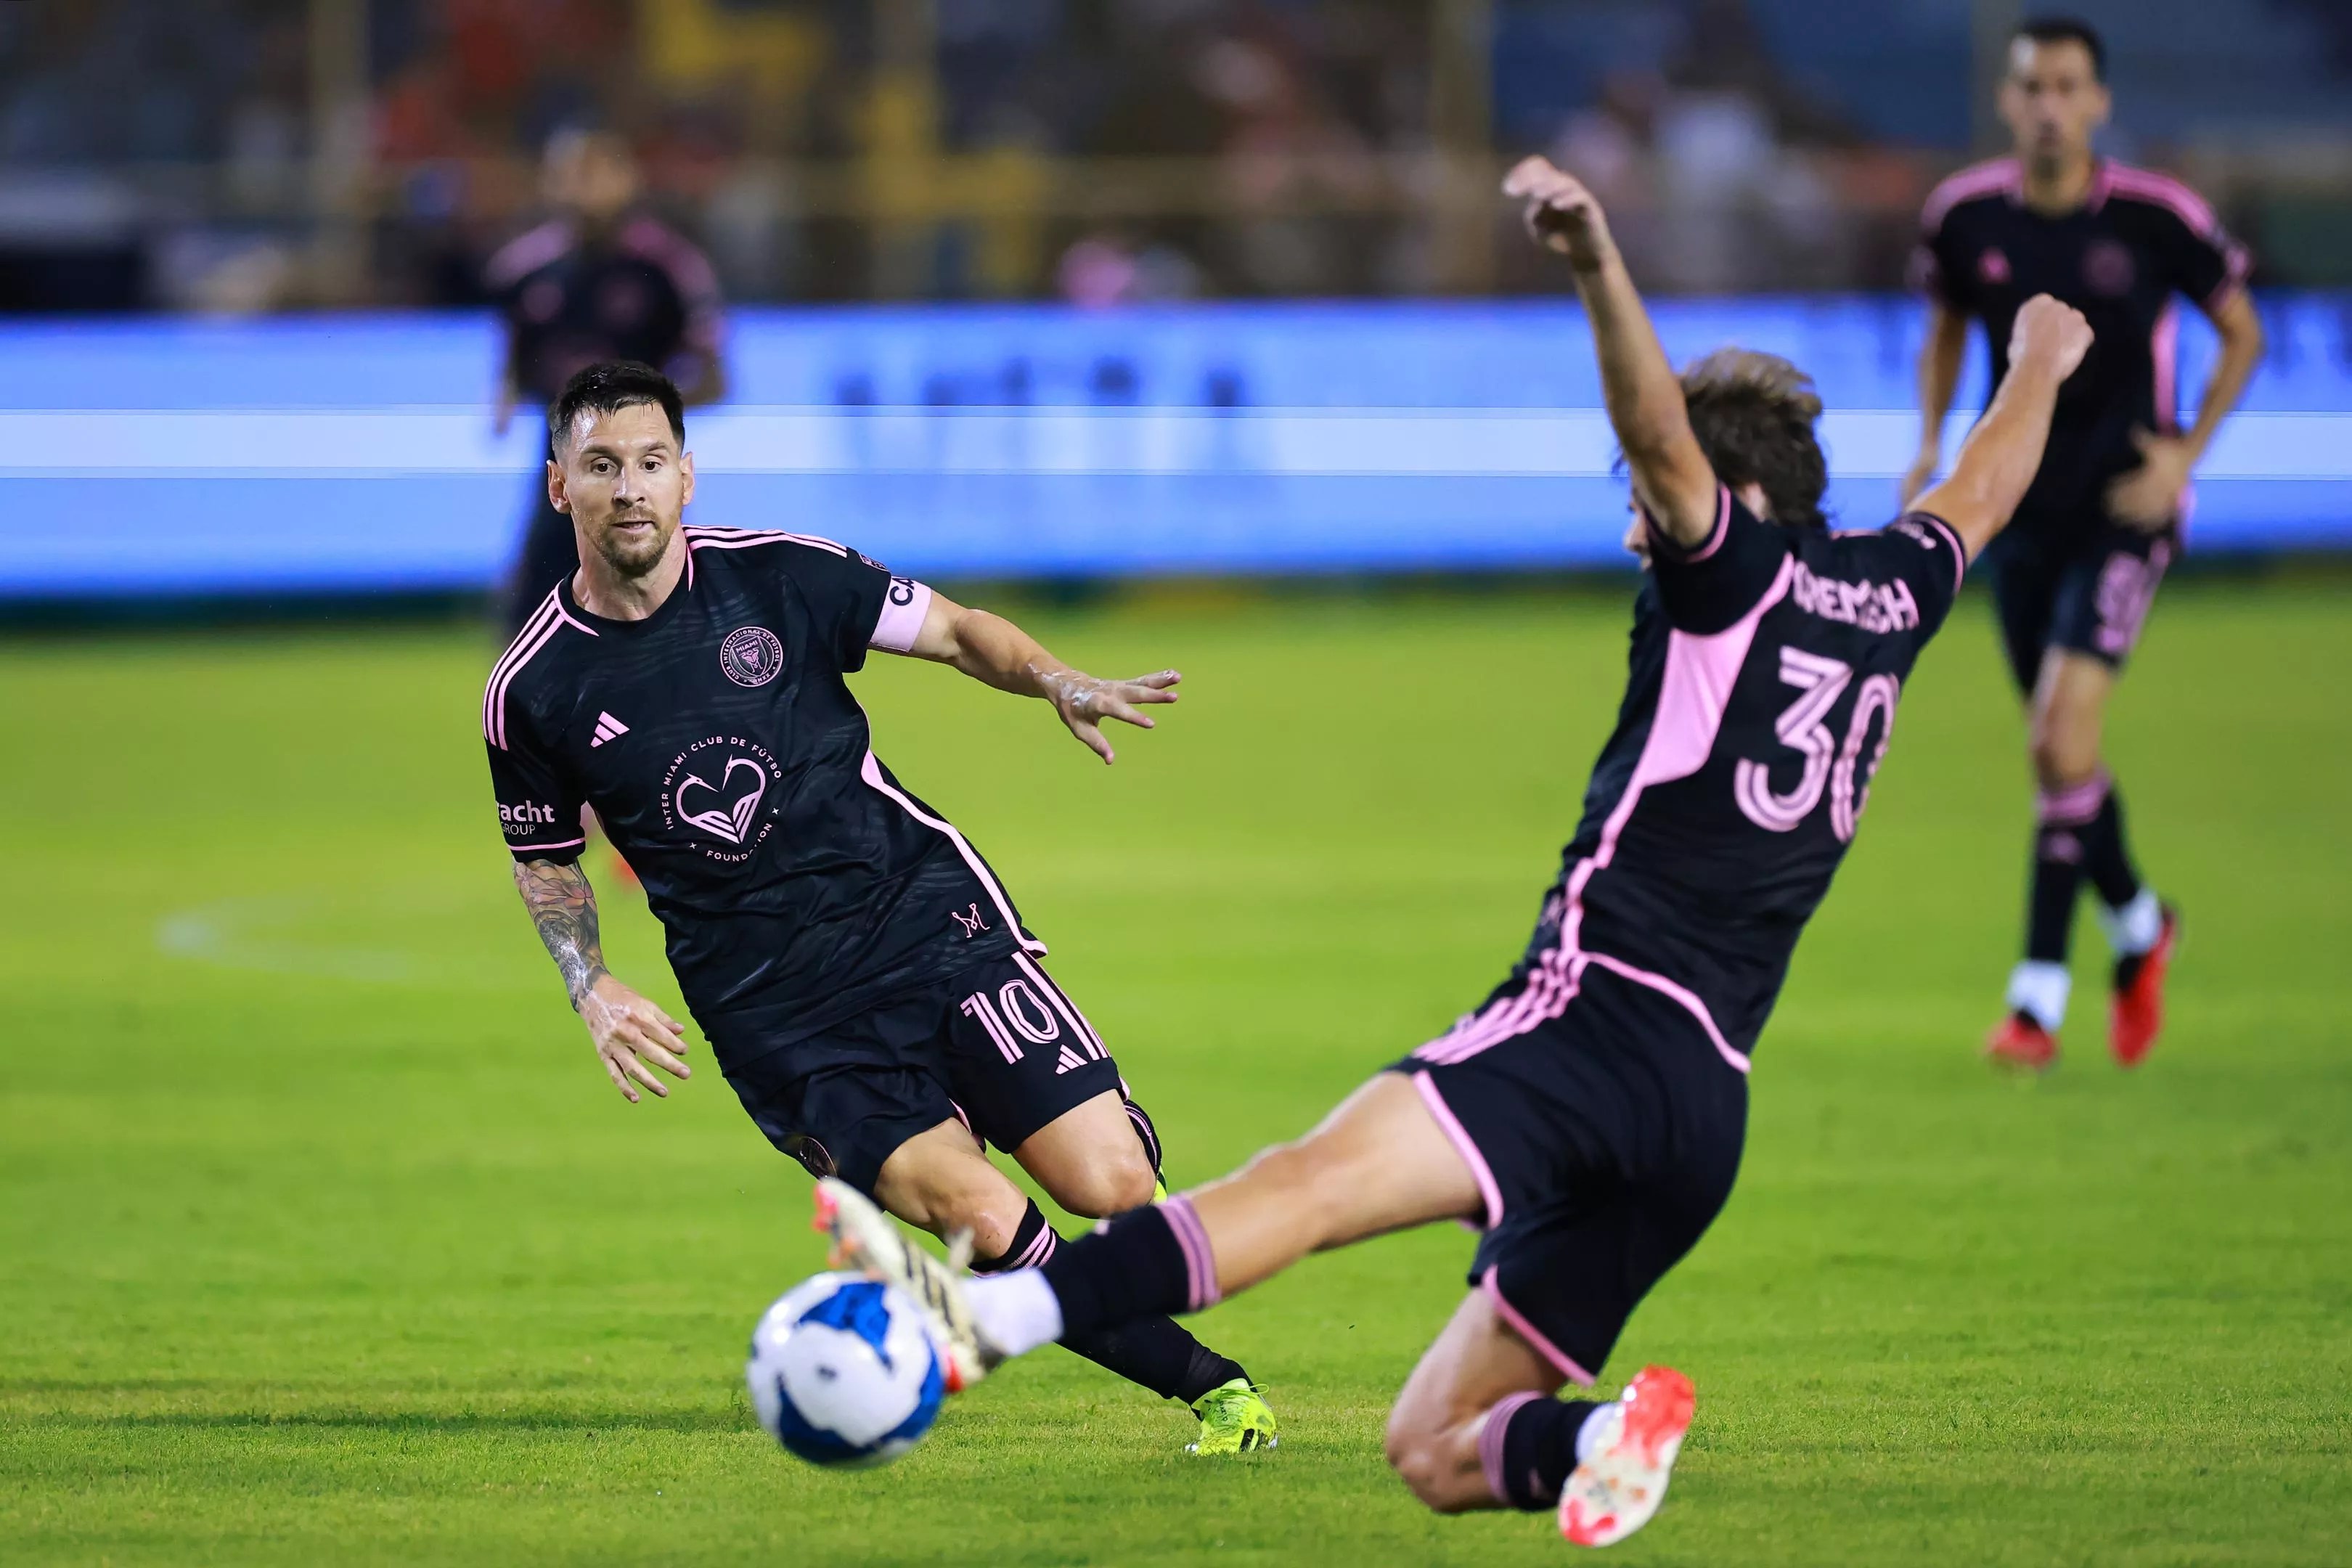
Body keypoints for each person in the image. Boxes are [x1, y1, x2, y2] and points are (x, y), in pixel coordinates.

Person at [817, 160, 2094, 1548]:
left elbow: (1662, 439)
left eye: (1644, 500)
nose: (1633, 524)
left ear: (1720, 495)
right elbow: (1987, 480)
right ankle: (1603, 1435)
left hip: (1592, 1026)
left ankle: (982, 1321)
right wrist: (2044, 351)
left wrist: (1596, 255)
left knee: (1296, 1190)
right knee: (1434, 1447)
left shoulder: (1727, 578)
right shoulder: (1892, 590)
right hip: (1705, 1105)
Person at [483, 361, 1279, 1455]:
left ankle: (1001, 1223)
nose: (631, 489)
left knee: (1113, 1184)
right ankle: (1220, 1392)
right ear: (558, 486)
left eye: (652, 463)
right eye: (602, 466)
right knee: (985, 1217)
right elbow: (547, 860)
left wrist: (1055, 678)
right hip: (779, 1012)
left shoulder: (783, 578)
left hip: (921, 920)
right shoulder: (532, 689)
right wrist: (590, 982)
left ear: (687, 476)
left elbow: (955, 632)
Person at [1902, 17, 2264, 1072]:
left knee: (2059, 741)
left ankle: (2036, 1001)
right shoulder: (1963, 218)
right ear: (2009, 103)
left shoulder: (2157, 218)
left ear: (2098, 102)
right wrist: (1930, 443)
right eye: (2032, 88)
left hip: (2122, 511)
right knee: (2062, 757)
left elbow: (2242, 329)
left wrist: (2185, 454)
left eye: (2068, 86)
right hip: (2014, 512)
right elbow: (1945, 330)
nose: (2050, 105)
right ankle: (2142, 927)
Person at [486, 129, 730, 638]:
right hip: (560, 463)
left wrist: (640, 417)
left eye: (597, 174)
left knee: (658, 599)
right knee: (535, 610)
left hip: (644, 464)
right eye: (573, 175)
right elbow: (516, 361)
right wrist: (507, 399)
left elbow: (715, 376)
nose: (584, 189)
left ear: (627, 180)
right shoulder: (524, 271)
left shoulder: (666, 269)